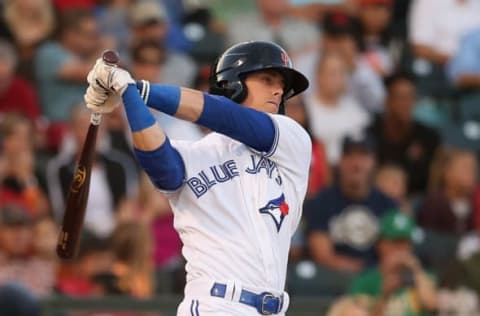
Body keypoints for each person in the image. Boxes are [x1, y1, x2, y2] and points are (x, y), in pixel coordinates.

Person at [84, 41, 311, 315]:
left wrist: (138, 88)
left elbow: (226, 115)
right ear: (233, 83)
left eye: (282, 84)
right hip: (214, 304)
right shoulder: (193, 152)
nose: (278, 90)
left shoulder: (292, 140)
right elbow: (160, 165)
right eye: (267, 79)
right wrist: (128, 94)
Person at [349, 211, 438, 316]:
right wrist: (385, 295)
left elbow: (433, 305)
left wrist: (416, 271)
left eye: (407, 242)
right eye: (396, 242)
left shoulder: (425, 276)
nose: (402, 248)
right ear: (380, 244)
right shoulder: (365, 281)